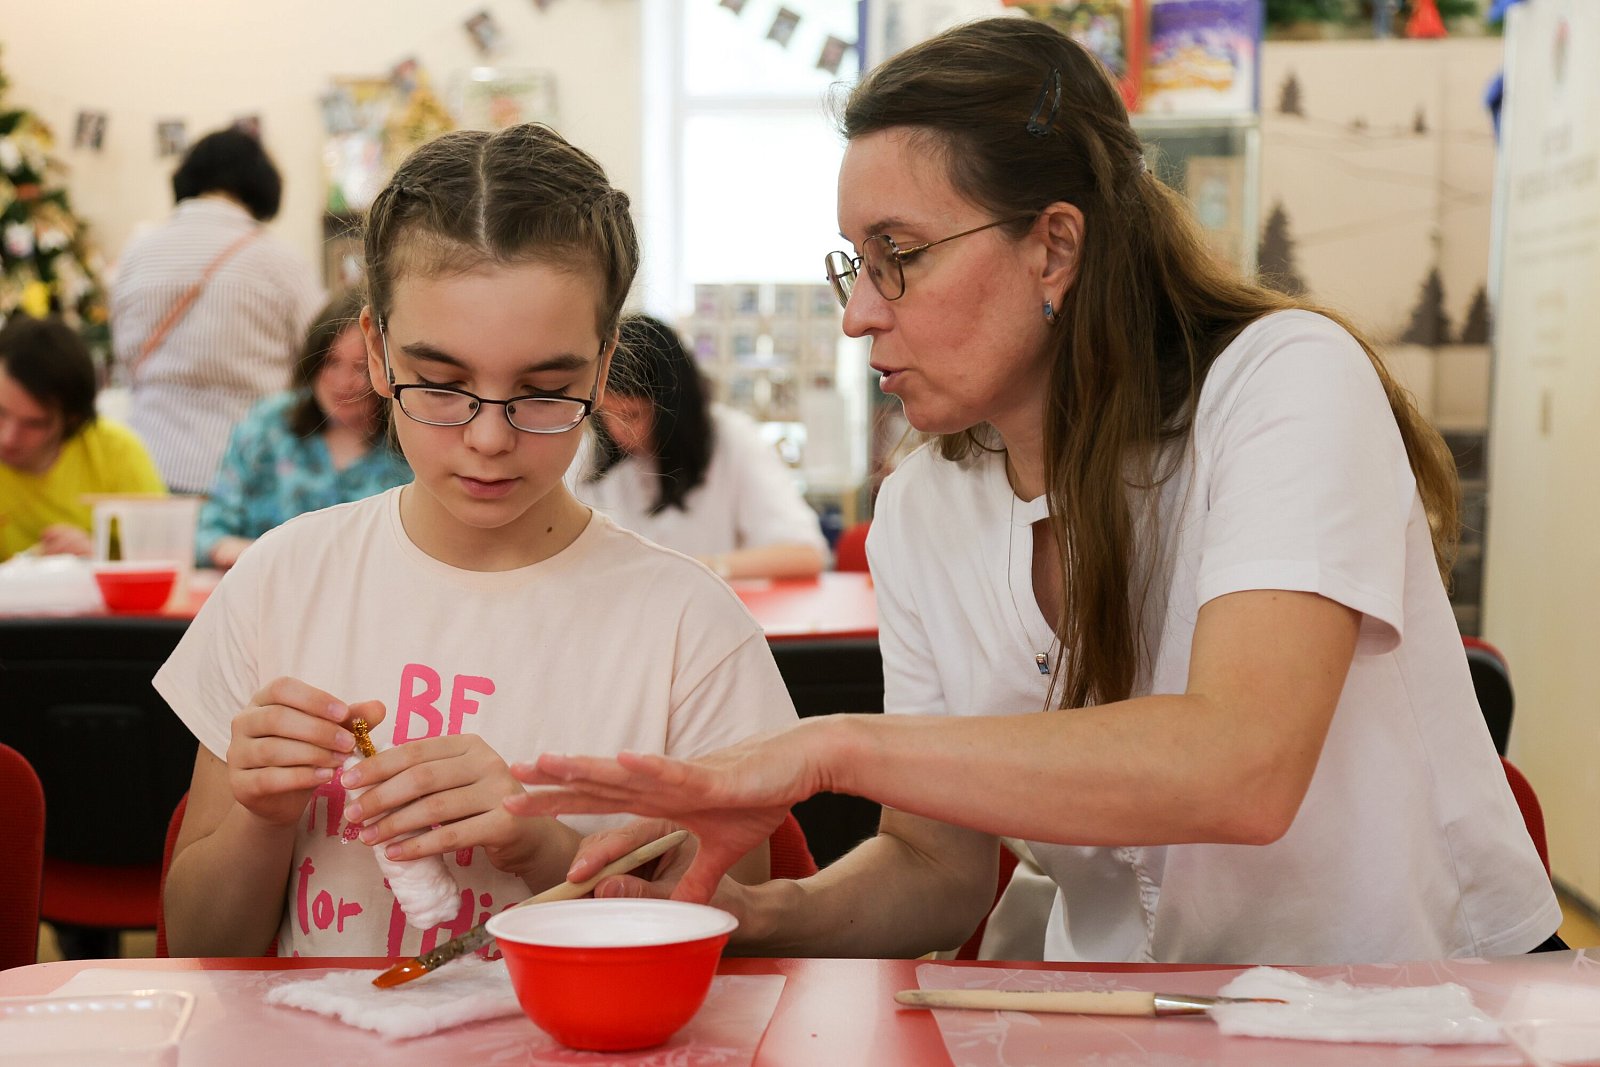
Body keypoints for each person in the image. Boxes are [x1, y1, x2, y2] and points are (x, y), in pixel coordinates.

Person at [507, 18, 1561, 966]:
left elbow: (1242, 765)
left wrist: (833, 746)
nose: (858, 312)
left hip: (1426, 1005)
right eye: (853, 263)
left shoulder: (1282, 382)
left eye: (898, 255)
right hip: (1137, 1020)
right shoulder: (924, 508)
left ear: (1053, 246)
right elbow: (935, 868)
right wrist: (755, 911)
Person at [155, 123, 798, 958]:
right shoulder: (281, 580)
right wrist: (262, 817)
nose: (489, 439)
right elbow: (199, 945)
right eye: (441, 383)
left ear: (604, 367)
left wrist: (545, 849)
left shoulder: (691, 630)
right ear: (378, 353)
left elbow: (733, 955)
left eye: (544, 390)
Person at [111, 128, 323, 494]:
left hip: (148, 461)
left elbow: (124, 356)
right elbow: (319, 353)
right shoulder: (281, 262)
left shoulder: (137, 254)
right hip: (249, 466)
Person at [574, 314, 827, 580]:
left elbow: (805, 554)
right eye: (607, 415)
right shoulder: (589, 451)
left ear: (671, 406)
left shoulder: (731, 438)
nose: (617, 431)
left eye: (632, 415)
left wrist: (699, 570)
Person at [195, 292, 412, 569]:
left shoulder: (409, 442)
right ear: (312, 361)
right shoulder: (270, 424)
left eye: (361, 368)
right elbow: (208, 533)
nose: (344, 382)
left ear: (385, 370)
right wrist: (242, 553)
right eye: (331, 362)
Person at [0, 314, 164, 561]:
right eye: (0, 413)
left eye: (34, 424)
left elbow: (163, 553)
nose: (8, 437)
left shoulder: (116, 452)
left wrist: (99, 557)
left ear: (72, 419)